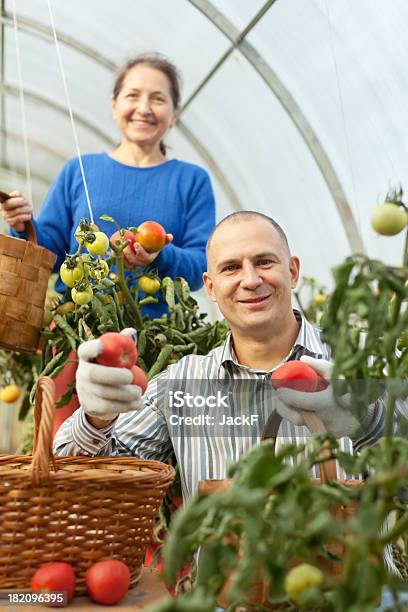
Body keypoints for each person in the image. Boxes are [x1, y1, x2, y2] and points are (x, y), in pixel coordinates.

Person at [0, 53, 216, 317]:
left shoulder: (192, 180)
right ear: (114, 106)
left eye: (158, 99)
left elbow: (202, 267)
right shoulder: (79, 169)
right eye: (132, 95)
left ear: (174, 114)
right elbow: (51, 254)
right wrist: (24, 226)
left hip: (159, 337)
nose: (144, 108)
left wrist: (159, 257)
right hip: (79, 326)